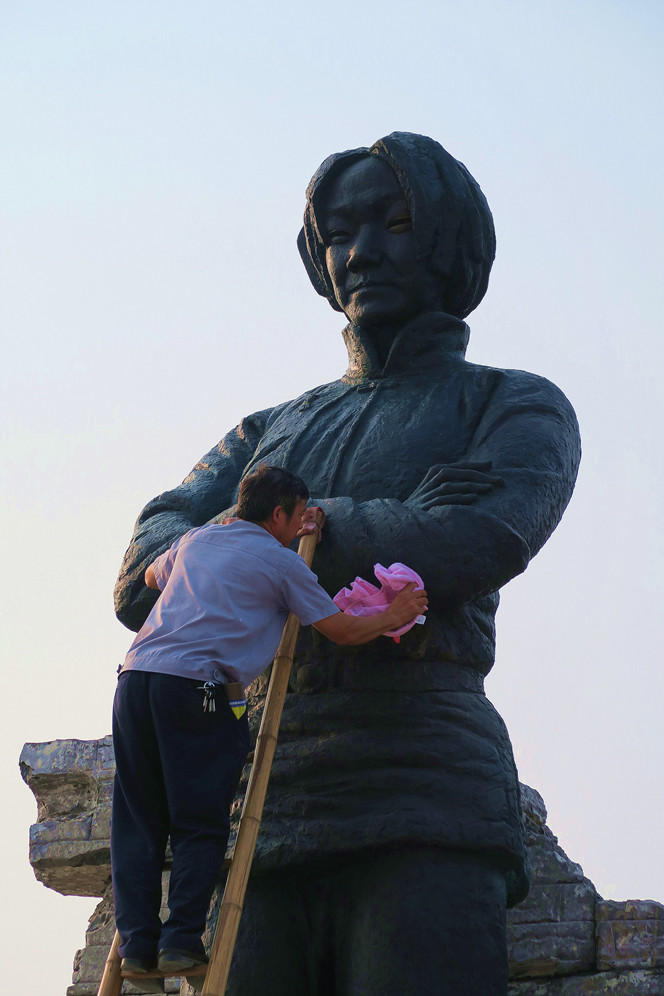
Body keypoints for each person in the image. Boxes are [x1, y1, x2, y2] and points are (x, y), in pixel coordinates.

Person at [114, 133, 581, 995]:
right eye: (338, 232)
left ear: (447, 240)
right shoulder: (269, 429)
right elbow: (141, 563)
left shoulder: (509, 402)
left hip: (423, 794)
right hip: (262, 802)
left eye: (394, 223)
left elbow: (477, 537)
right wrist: (380, 522)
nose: (360, 250)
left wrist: (261, 533)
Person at [111, 463, 427, 986]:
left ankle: (138, 949)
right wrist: (394, 615)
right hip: (200, 691)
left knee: (139, 820)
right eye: (297, 514)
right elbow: (342, 630)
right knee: (199, 816)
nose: (302, 522)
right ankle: (181, 942)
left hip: (136, 682)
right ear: (279, 514)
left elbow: (149, 576)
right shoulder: (282, 567)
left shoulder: (197, 540)